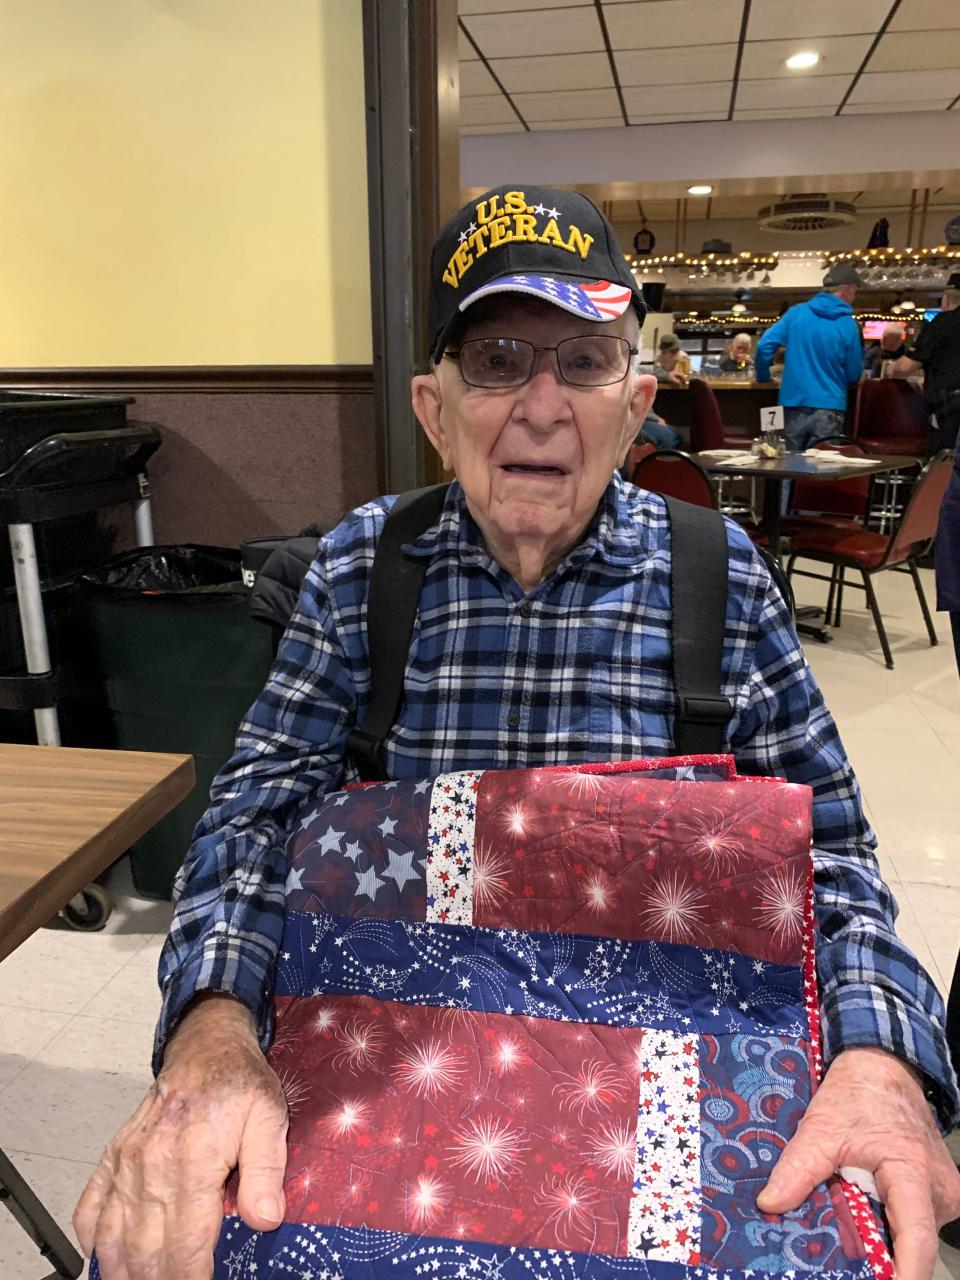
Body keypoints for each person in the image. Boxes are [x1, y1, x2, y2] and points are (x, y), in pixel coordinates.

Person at [75, 185, 960, 1280]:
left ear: (636, 402)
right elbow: (254, 818)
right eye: (496, 360)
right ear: (434, 409)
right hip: (402, 1074)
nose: (542, 404)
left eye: (583, 360)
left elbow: (829, 859)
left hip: (670, 1085)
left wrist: (881, 1058)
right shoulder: (362, 571)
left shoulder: (719, 580)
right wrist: (212, 1026)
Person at [755, 264, 864, 451]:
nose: (854, 297)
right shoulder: (848, 324)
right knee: (821, 470)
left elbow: (764, 345)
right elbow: (853, 373)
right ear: (846, 289)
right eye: (855, 291)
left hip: (792, 403)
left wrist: (763, 377)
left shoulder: (796, 313)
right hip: (830, 405)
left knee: (787, 465)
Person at [890, 277, 960, 454]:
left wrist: (892, 367)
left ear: (946, 299)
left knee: (944, 463)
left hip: (951, 406)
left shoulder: (942, 323)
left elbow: (904, 368)